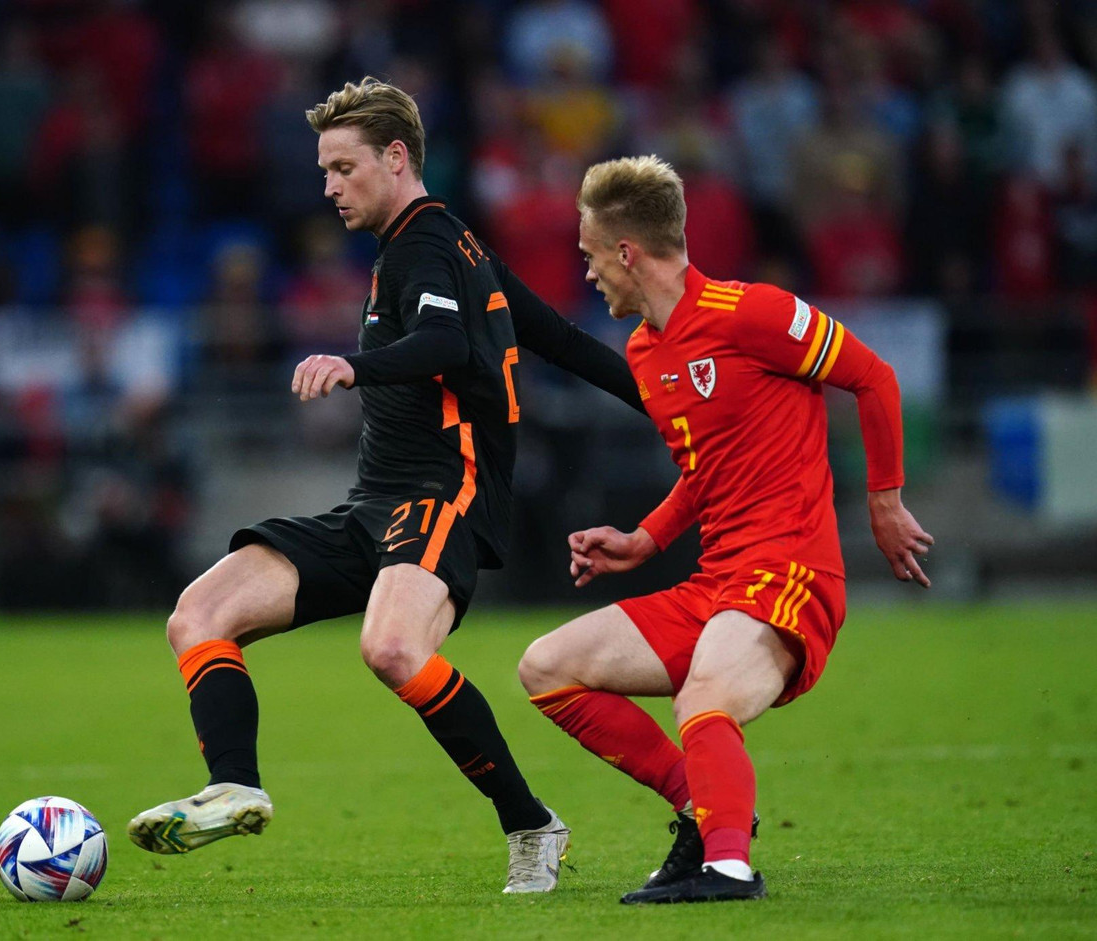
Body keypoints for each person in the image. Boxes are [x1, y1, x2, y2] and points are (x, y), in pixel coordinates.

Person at [126, 78, 647, 893]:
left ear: (396, 157)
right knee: (199, 614)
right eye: (324, 171)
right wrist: (663, 402)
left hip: (443, 494)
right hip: (372, 504)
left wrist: (352, 366)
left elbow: (444, 343)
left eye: (343, 167)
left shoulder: (425, 244)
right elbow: (561, 339)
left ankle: (530, 824)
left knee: (394, 648)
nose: (329, 188)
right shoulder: (451, 248)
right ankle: (233, 785)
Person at [517, 156, 933, 903]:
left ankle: (730, 869)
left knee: (703, 699)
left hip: (790, 574)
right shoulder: (645, 351)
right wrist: (645, 539)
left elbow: (873, 376)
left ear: (626, 252)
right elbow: (707, 470)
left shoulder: (754, 313)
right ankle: (702, 808)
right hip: (717, 582)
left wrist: (885, 502)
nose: (587, 272)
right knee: (547, 666)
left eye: (590, 255)